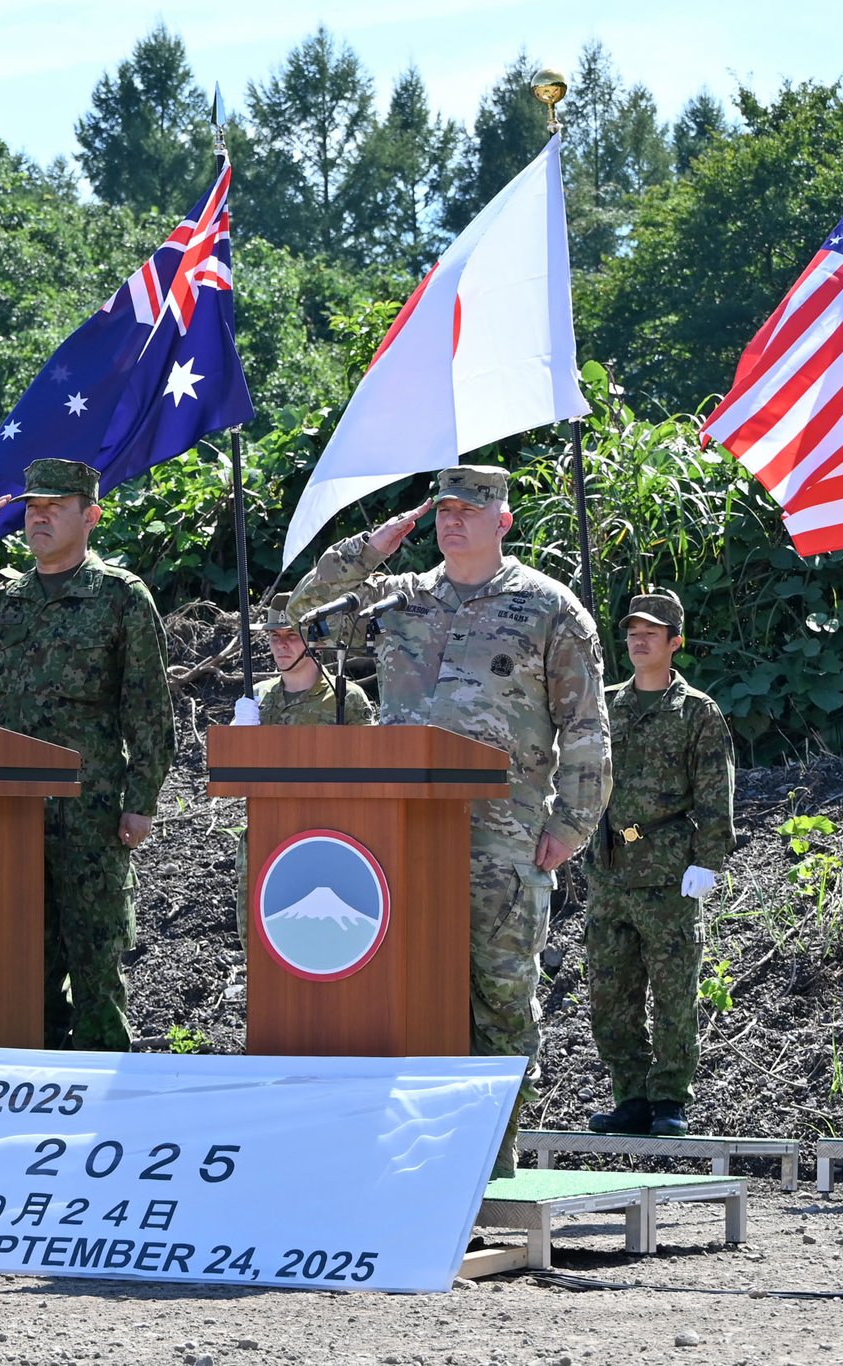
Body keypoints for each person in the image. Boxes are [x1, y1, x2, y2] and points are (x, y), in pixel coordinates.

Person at [292, 465, 611, 1177]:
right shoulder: (395, 600)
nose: (453, 520)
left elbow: (587, 726)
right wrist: (372, 546)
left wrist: (572, 824)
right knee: (404, 994)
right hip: (397, 837)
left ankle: (489, 1166)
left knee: (499, 996)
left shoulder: (550, 608)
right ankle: (411, 1167)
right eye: (443, 509)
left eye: (470, 509)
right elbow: (296, 612)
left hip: (504, 834)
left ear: (503, 520)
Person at [0, 458, 175, 1051]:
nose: (38, 518)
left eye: (55, 508)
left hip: (88, 809)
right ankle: (33, 1088)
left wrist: (140, 802)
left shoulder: (120, 597)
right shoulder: (0, 598)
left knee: (95, 963)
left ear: (90, 516)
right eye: (32, 508)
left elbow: (147, 707)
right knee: (20, 963)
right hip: (8, 812)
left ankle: (104, 1093)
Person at [583, 590, 735, 1140]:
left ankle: (670, 1097)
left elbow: (715, 794)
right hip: (609, 873)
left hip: (669, 873)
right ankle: (631, 1096)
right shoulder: (603, 705)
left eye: (652, 631)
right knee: (609, 994)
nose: (638, 639)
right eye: (631, 631)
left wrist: (709, 861)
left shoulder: (697, 712)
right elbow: (580, 775)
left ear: (676, 642)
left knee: (673, 993)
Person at [234, 593, 375, 942]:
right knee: (262, 942)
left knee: (325, 945)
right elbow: (232, 781)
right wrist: (236, 741)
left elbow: (373, 774)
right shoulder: (259, 699)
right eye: (274, 637)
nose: (281, 645)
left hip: (329, 841)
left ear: (314, 640)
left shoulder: (345, 699)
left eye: (291, 635)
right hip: (266, 838)